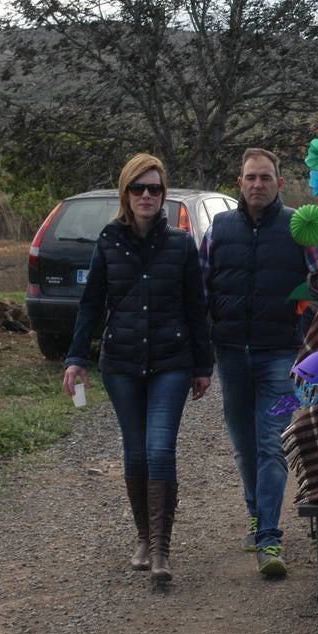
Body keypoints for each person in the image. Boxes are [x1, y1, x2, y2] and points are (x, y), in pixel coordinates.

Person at [63, 153, 213, 584]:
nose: (147, 196)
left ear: (164, 196)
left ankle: (163, 549)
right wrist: (76, 357)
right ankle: (144, 537)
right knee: (135, 451)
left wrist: (203, 366)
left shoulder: (182, 244)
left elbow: (195, 308)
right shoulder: (109, 240)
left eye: (155, 189)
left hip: (171, 360)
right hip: (121, 362)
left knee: (160, 449)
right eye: (138, 188)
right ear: (125, 193)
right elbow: (91, 303)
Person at [202, 148, 310, 579]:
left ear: (279, 183)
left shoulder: (299, 229)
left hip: (282, 356)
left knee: (271, 442)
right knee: (244, 442)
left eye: (266, 177)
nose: (258, 184)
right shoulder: (219, 228)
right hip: (232, 354)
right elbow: (203, 289)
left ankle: (269, 536)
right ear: (240, 182)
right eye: (251, 178)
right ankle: (254, 511)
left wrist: (310, 345)